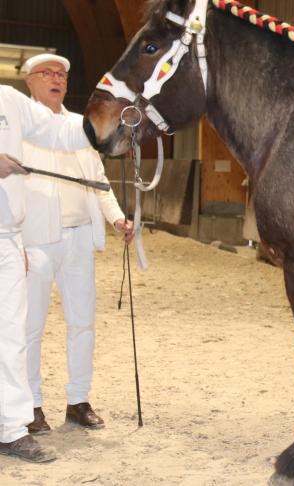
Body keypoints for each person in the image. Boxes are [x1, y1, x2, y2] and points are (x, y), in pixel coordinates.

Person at [20, 53, 133, 436]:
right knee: (30, 326)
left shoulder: (80, 128)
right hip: (33, 240)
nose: (56, 79)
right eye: (47, 73)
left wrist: (117, 218)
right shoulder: (17, 127)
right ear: (29, 82)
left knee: (82, 323)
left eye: (61, 75)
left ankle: (78, 400)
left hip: (78, 238)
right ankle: (31, 405)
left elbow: (98, 180)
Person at [1, 63, 92, 463]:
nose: (57, 80)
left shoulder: (10, 100)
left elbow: (61, 130)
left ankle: (10, 428)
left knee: (11, 337)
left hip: (7, 235)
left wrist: (115, 120)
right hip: (24, 238)